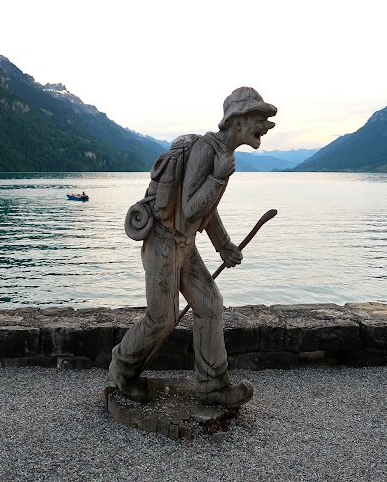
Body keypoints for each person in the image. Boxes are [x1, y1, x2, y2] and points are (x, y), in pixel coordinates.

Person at [109, 87, 277, 406]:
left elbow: (206, 212)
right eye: (260, 119)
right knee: (163, 317)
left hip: (184, 243)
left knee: (210, 304)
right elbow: (189, 208)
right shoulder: (206, 151)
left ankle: (213, 385)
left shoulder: (222, 154)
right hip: (164, 241)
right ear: (238, 121)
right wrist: (215, 178)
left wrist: (224, 245)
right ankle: (122, 368)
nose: (266, 127)